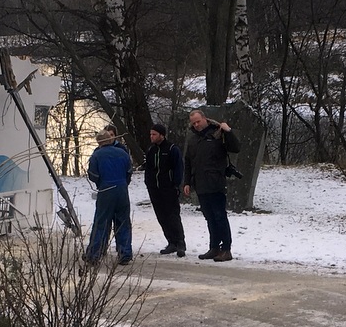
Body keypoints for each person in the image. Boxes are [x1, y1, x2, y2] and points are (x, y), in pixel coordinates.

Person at [183, 109, 241, 262]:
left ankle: (226, 249)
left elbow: (236, 147)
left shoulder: (218, 134)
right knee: (209, 217)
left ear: (205, 119)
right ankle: (214, 247)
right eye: (193, 123)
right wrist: (187, 182)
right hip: (200, 184)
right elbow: (188, 162)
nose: (196, 125)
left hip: (216, 183)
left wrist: (228, 131)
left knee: (220, 216)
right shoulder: (193, 140)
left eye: (198, 121)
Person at [84, 125, 133, 265]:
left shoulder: (97, 155)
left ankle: (94, 254)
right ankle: (125, 253)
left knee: (101, 223)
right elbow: (129, 171)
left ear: (99, 142)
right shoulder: (123, 153)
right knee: (123, 222)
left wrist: (100, 182)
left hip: (106, 190)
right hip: (122, 190)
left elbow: (93, 175)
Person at [143, 122, 187, 256]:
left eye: (154, 134)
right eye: (150, 134)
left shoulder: (172, 149)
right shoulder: (151, 150)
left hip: (168, 188)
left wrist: (175, 185)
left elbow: (178, 168)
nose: (151, 137)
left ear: (161, 135)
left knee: (172, 215)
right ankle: (171, 242)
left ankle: (180, 242)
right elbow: (149, 169)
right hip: (154, 189)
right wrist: (149, 183)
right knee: (161, 216)